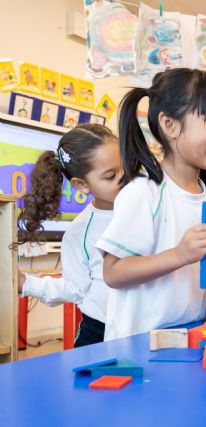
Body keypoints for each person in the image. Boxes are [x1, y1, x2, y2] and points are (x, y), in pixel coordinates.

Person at [96, 68, 206, 340]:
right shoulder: (143, 192)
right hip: (138, 344)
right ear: (170, 125)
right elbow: (113, 272)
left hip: (192, 337)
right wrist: (180, 255)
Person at [16, 124, 122, 347]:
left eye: (128, 168)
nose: (125, 179)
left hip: (146, 328)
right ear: (81, 185)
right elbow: (75, 288)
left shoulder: (145, 204)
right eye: (111, 176)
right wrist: (27, 284)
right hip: (99, 333)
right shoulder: (79, 232)